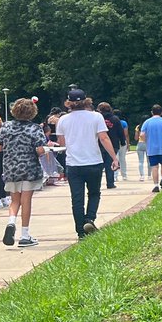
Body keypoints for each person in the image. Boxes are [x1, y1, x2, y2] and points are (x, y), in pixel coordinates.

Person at [56, 88, 120, 239]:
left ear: (68, 103)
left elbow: (61, 143)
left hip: (73, 164)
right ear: (86, 101)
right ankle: (89, 219)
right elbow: (103, 138)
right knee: (94, 193)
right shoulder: (96, 116)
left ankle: (80, 231)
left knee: (77, 198)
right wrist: (114, 158)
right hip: (93, 161)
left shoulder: (63, 120)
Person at [0, 98, 48, 247]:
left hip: (10, 168)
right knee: (26, 200)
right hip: (29, 168)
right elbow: (40, 150)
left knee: (14, 200)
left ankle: (11, 222)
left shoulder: (6, 127)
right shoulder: (34, 128)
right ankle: (25, 235)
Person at [141, 105, 162, 192]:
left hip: (151, 148)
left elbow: (142, 134)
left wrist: (146, 141)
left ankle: (156, 185)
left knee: (154, 166)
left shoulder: (147, 122)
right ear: (161, 112)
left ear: (152, 112)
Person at [97, 102, 125, 189]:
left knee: (99, 165)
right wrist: (122, 142)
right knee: (110, 164)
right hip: (113, 144)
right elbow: (120, 131)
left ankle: (96, 183)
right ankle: (110, 183)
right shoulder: (115, 119)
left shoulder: (98, 119)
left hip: (99, 144)